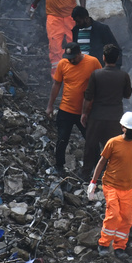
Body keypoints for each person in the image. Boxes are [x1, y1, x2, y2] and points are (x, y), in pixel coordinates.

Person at [87, 111, 132, 259]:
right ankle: (104, 244)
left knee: (126, 217)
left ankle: (120, 246)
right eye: (131, 129)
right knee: (113, 215)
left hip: (127, 187)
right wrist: (93, 182)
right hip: (111, 184)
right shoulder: (113, 142)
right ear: (123, 128)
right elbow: (102, 162)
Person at [46, 43, 102, 174]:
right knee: (62, 139)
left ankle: (98, 168)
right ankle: (59, 166)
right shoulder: (63, 64)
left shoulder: (93, 62)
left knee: (91, 140)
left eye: (73, 57)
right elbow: (56, 85)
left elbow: (100, 82)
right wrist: (49, 106)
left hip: (86, 111)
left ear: (79, 54)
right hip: (66, 110)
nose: (70, 60)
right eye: (68, 57)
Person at [80, 44, 132, 177]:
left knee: (91, 146)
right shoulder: (123, 76)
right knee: (114, 148)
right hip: (115, 118)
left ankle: (86, 174)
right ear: (117, 58)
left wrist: (84, 113)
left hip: (97, 116)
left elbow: (88, 96)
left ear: (103, 58)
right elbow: (127, 95)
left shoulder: (96, 74)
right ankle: (111, 175)